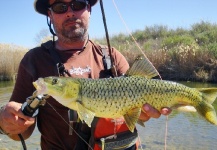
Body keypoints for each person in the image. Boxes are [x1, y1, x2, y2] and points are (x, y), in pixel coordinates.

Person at [0, 0, 171, 149]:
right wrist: (6, 122)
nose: (70, 13)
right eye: (60, 7)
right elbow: (20, 133)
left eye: (78, 4)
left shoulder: (112, 56)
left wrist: (145, 113)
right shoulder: (34, 60)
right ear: (50, 15)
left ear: (89, 10)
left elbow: (138, 112)